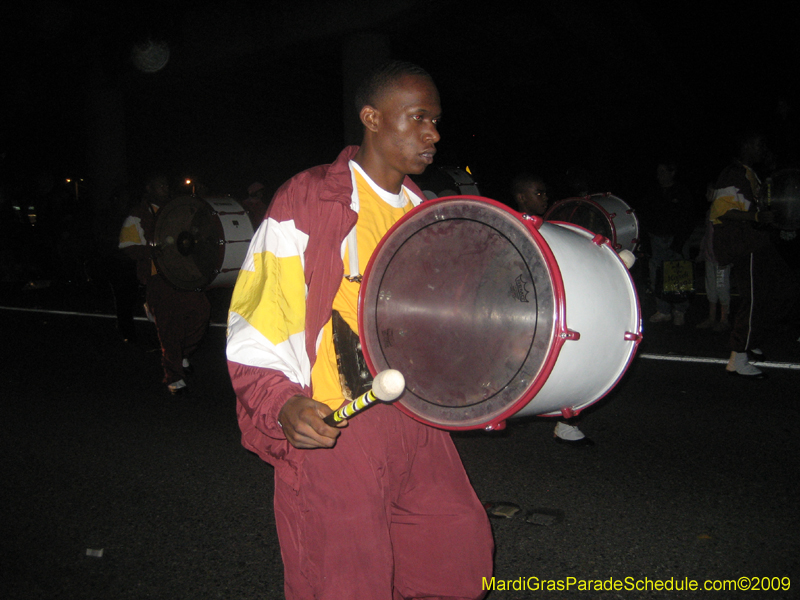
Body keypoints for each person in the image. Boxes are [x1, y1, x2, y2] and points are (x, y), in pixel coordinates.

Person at [226, 61, 493, 600]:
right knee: (345, 583)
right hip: (340, 425)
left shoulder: (428, 213)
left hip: (419, 424)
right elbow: (260, 316)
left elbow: (446, 327)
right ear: (371, 117)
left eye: (436, 120)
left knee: (455, 562)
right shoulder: (310, 200)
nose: (433, 134)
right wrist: (281, 404)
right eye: (418, 118)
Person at [512, 173, 594, 447]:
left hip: (547, 311)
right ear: (522, 198)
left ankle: (567, 423)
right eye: (538, 193)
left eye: (545, 192)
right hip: (522, 313)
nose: (545, 198)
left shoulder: (552, 228)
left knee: (571, 361)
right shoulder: (510, 225)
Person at [708, 131, 795, 378]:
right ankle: (738, 357)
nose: (761, 147)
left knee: (782, 289)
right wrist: (756, 217)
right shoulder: (733, 173)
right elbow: (722, 210)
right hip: (747, 245)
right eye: (757, 143)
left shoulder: (749, 173)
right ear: (745, 145)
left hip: (758, 242)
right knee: (754, 298)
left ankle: (750, 339)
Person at [119, 175, 210, 395]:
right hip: (158, 278)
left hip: (182, 275)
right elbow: (127, 246)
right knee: (170, 330)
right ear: (148, 188)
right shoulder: (138, 215)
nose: (164, 188)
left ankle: (181, 355)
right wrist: (151, 252)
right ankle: (174, 378)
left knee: (201, 313)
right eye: (159, 184)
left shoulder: (176, 209)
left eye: (166, 184)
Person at [643, 161, 694, 326]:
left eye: (663, 171)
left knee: (678, 275)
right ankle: (663, 310)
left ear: (672, 172)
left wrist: (678, 243)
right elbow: (646, 216)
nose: (660, 175)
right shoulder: (653, 192)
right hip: (657, 239)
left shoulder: (682, 192)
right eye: (658, 172)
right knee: (657, 275)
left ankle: (680, 310)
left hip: (676, 239)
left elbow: (688, 219)